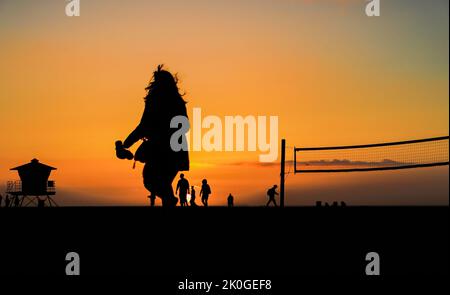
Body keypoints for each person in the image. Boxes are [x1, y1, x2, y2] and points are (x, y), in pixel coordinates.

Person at [117, 65, 190, 207]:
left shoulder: (154, 101)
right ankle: (169, 200)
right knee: (163, 182)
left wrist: (127, 143)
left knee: (150, 179)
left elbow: (143, 126)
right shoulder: (178, 101)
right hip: (177, 148)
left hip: (160, 149)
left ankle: (169, 200)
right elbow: (185, 124)